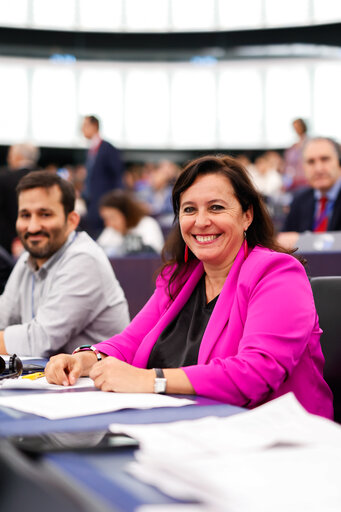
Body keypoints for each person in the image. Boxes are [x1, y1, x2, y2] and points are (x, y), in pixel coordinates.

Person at [45, 155, 333, 419]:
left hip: (274, 441)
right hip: (184, 429)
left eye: (216, 207)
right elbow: (131, 341)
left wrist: (150, 380)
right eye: (189, 209)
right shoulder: (178, 278)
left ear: (247, 215)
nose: (201, 221)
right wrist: (85, 359)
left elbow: (255, 373)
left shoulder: (277, 273)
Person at [0, 171, 130, 357]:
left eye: (45, 214)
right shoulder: (27, 258)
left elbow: (40, 341)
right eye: (25, 215)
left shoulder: (84, 259)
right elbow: (3, 317)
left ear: (72, 221)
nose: (33, 227)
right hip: (51, 380)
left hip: (93, 383)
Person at [278, 137, 341, 249]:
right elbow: (283, 240)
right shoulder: (299, 199)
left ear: (339, 163)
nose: (318, 168)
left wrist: (303, 241)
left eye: (325, 159)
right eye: (311, 162)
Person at [81, 115, 124, 238]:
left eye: (85, 126)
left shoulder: (107, 148)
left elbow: (117, 175)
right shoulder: (90, 150)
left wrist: (115, 202)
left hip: (103, 202)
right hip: (91, 203)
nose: (82, 130)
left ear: (94, 126)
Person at [0, 143, 40, 255]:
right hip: (40, 240)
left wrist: (13, 240)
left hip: (8, 246)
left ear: (17, 156)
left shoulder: (4, 179)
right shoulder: (50, 180)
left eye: (10, 156)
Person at [97, 190, 164, 256]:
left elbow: (154, 254)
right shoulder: (110, 231)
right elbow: (98, 252)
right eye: (105, 219)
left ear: (126, 214)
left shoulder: (148, 224)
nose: (108, 223)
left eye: (112, 217)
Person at [282, 117, 309, 191]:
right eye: (294, 127)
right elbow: (289, 166)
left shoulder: (309, 143)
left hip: (305, 181)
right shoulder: (293, 146)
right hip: (294, 182)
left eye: (298, 127)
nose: (296, 129)